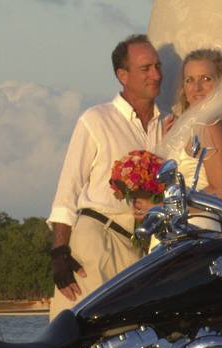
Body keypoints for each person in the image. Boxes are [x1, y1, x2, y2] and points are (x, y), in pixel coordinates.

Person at [47, 34, 164, 319]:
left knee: (129, 343)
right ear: (122, 75)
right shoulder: (96, 119)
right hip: (97, 240)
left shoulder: (168, 126)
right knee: (81, 337)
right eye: (146, 68)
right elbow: (68, 188)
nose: (156, 75)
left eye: (158, 66)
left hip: (141, 251)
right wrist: (60, 251)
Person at [161, 48, 222, 204]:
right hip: (179, 222)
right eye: (189, 80)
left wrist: (162, 207)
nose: (197, 88)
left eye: (206, 79)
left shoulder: (209, 126)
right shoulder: (188, 126)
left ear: (221, 84)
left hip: (197, 224)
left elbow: (221, 193)